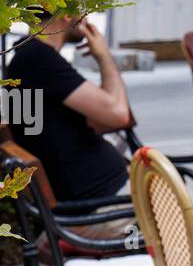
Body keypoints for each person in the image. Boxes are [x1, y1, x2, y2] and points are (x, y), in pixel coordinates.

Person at [5, 12, 131, 202]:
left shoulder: (28, 56)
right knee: (182, 208)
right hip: (98, 200)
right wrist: (104, 56)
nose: (87, 18)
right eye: (83, 9)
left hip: (100, 188)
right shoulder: (39, 59)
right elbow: (119, 114)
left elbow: (103, 116)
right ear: (66, 14)